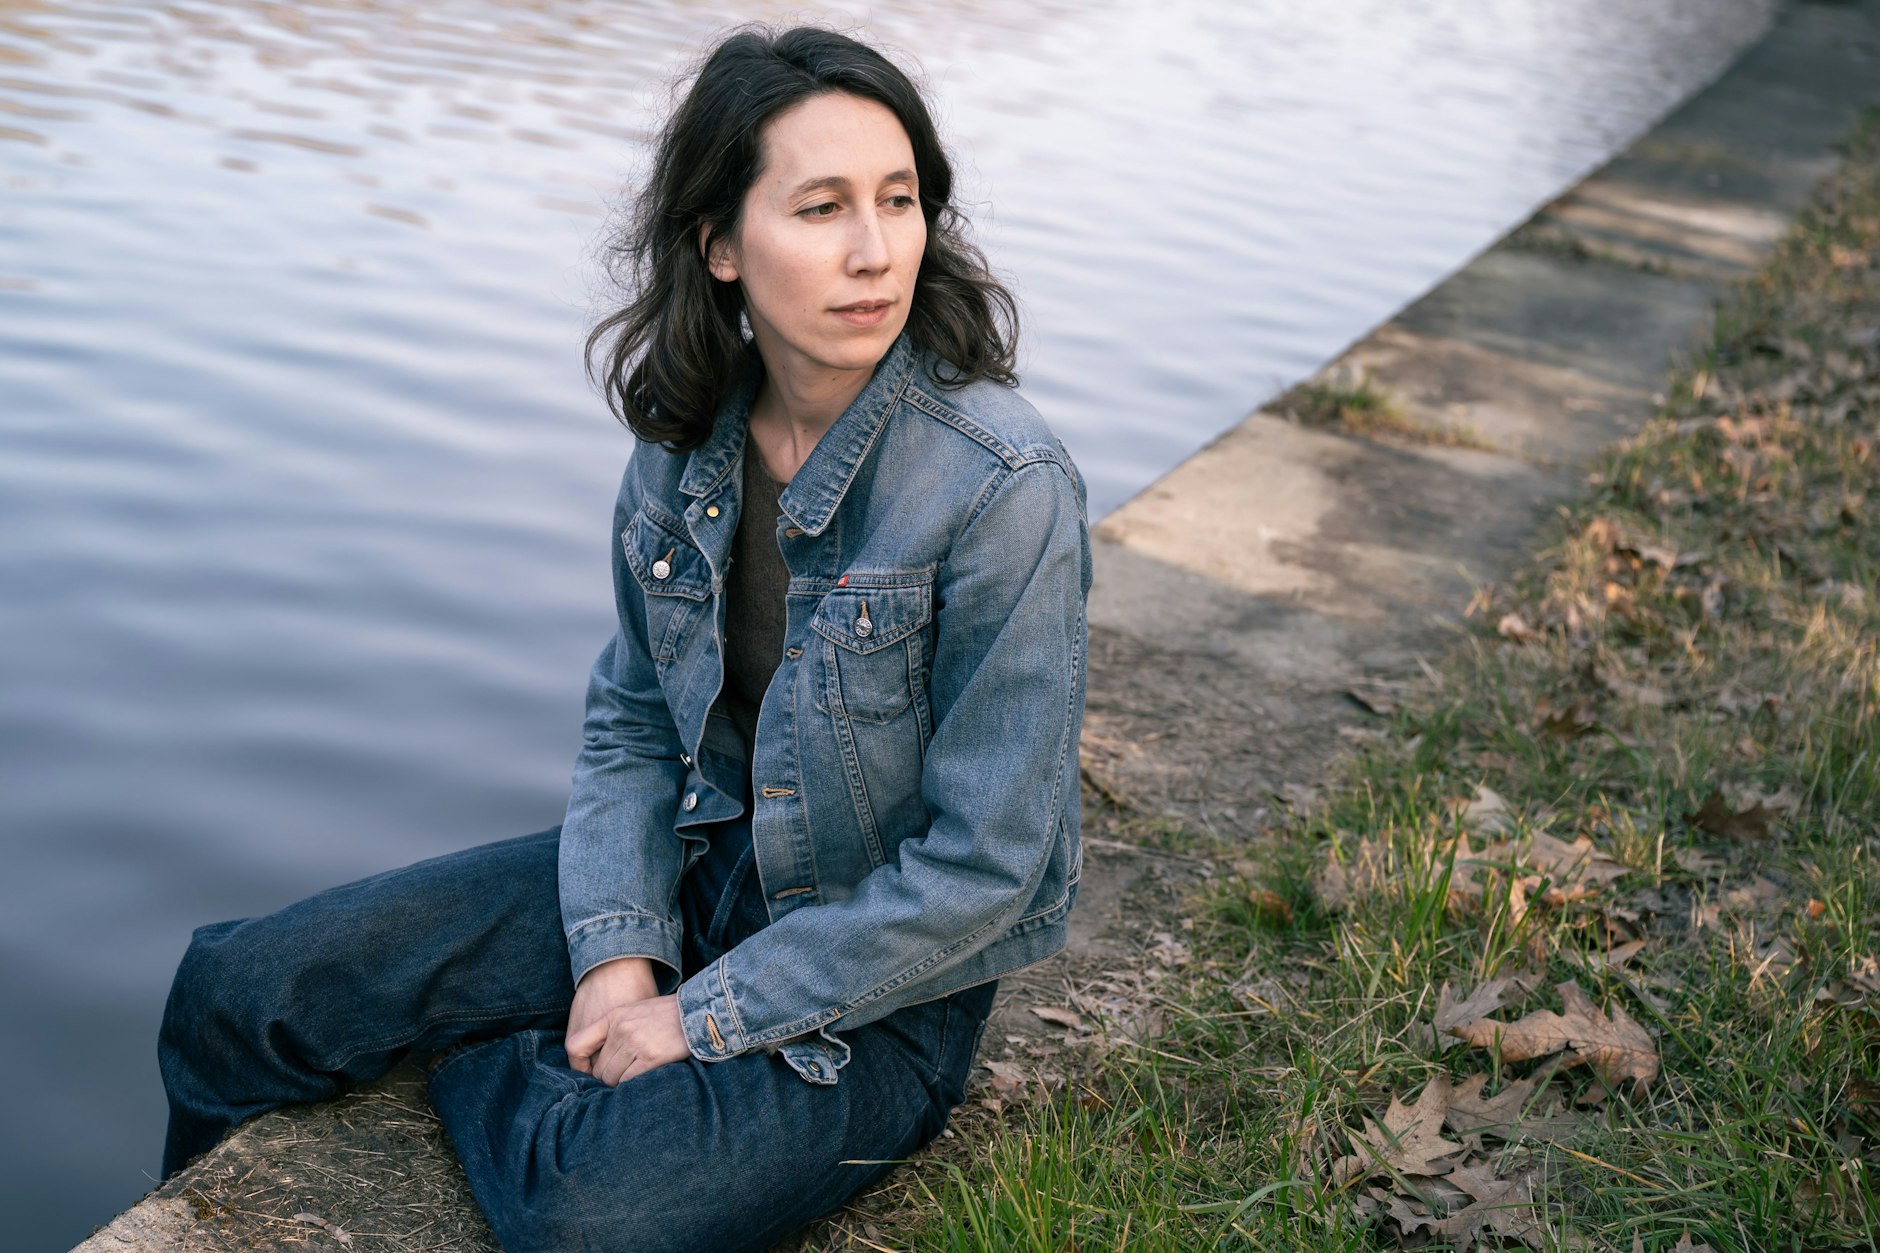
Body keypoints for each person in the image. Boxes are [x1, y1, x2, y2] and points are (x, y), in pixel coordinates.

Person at [157, 24, 1089, 1253]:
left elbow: (988, 868)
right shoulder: (683, 442)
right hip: (696, 865)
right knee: (238, 993)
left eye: (899, 200)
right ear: (717, 245)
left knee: (590, 1211)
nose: (874, 252)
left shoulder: (1000, 484)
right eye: (819, 208)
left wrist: (697, 1018)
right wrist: (615, 953)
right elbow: (636, 718)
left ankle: (460, 1047)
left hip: (879, 990)